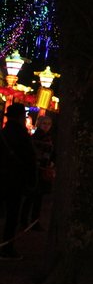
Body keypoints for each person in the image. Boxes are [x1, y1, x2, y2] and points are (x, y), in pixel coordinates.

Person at [0, 103, 37, 260]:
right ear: (21, 117)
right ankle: (7, 248)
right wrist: (32, 181)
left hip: (2, 178)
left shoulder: (3, 134)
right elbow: (30, 159)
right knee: (12, 215)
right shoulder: (22, 136)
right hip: (16, 180)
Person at [21, 115, 55, 231]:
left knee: (35, 197)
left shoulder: (47, 137)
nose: (46, 126)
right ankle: (30, 221)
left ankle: (29, 221)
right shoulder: (39, 137)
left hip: (41, 169)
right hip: (38, 170)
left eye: (49, 124)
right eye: (44, 123)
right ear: (39, 124)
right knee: (34, 197)